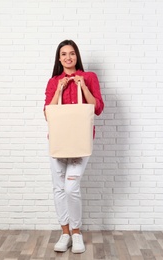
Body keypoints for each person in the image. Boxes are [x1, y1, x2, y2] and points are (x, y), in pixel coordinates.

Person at [43, 40, 104, 254]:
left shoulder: (89, 78)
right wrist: (59, 90)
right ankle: (65, 233)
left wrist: (83, 86)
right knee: (59, 188)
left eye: (72, 53)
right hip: (58, 142)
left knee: (71, 187)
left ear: (76, 56)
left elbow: (97, 109)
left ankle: (77, 233)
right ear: (59, 59)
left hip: (80, 142)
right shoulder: (54, 82)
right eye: (63, 54)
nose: (68, 57)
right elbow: (47, 113)